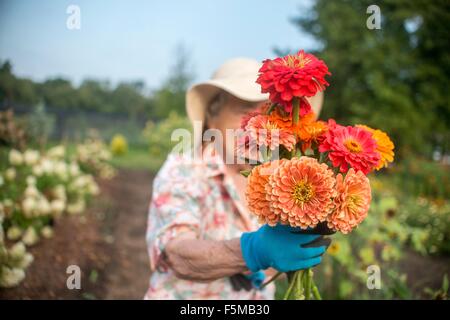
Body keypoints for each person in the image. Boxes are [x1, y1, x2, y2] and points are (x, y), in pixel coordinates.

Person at [145, 57, 330, 299]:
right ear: (212, 117)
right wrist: (249, 252)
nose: (256, 126)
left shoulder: (282, 176)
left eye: (267, 115)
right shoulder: (184, 168)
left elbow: (277, 255)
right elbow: (178, 254)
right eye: (244, 112)